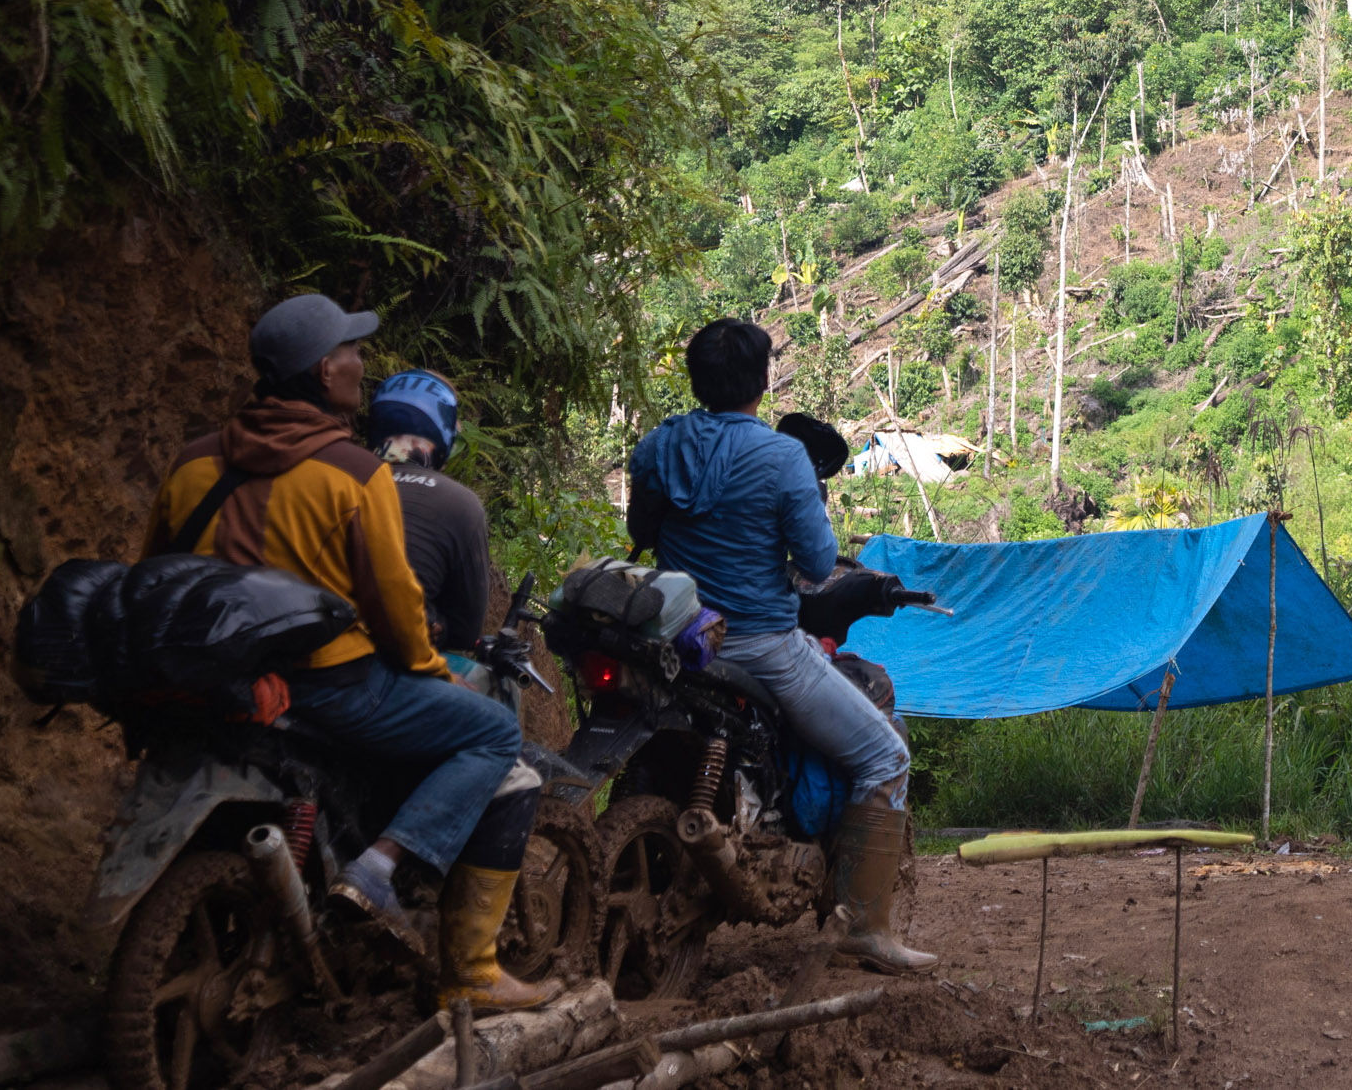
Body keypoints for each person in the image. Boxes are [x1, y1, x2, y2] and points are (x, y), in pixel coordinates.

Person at [147, 294, 561, 1012]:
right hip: (327, 687)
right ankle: (393, 884)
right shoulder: (348, 474)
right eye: (351, 353)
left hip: (209, 684)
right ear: (323, 370)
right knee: (493, 730)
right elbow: (396, 607)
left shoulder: (191, 463)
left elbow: (154, 573)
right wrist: (431, 669)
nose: (361, 366)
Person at [625, 318, 934, 973]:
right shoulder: (784, 457)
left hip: (676, 641)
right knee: (885, 754)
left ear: (696, 378)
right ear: (763, 383)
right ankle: (865, 928)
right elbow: (820, 560)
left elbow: (641, 528)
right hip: (761, 645)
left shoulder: (659, 445)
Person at [368, 369, 491, 671]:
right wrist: (436, 624)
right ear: (443, 434)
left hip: (315, 655)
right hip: (390, 665)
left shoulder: (340, 480)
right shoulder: (460, 503)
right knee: (497, 712)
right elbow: (466, 631)